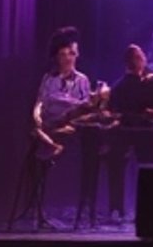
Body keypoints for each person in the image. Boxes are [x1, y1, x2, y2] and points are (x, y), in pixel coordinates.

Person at [32, 29, 107, 222]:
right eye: (63, 54)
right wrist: (37, 116)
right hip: (50, 124)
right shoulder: (49, 79)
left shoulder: (82, 80)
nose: (68, 58)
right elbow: (41, 102)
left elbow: (86, 109)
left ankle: (86, 206)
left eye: (72, 54)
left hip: (72, 127)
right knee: (40, 134)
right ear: (57, 57)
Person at [99, 42, 153, 223]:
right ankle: (141, 209)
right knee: (148, 168)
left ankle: (118, 209)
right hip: (137, 134)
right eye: (139, 57)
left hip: (131, 134)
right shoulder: (139, 85)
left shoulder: (121, 86)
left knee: (127, 168)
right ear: (139, 61)